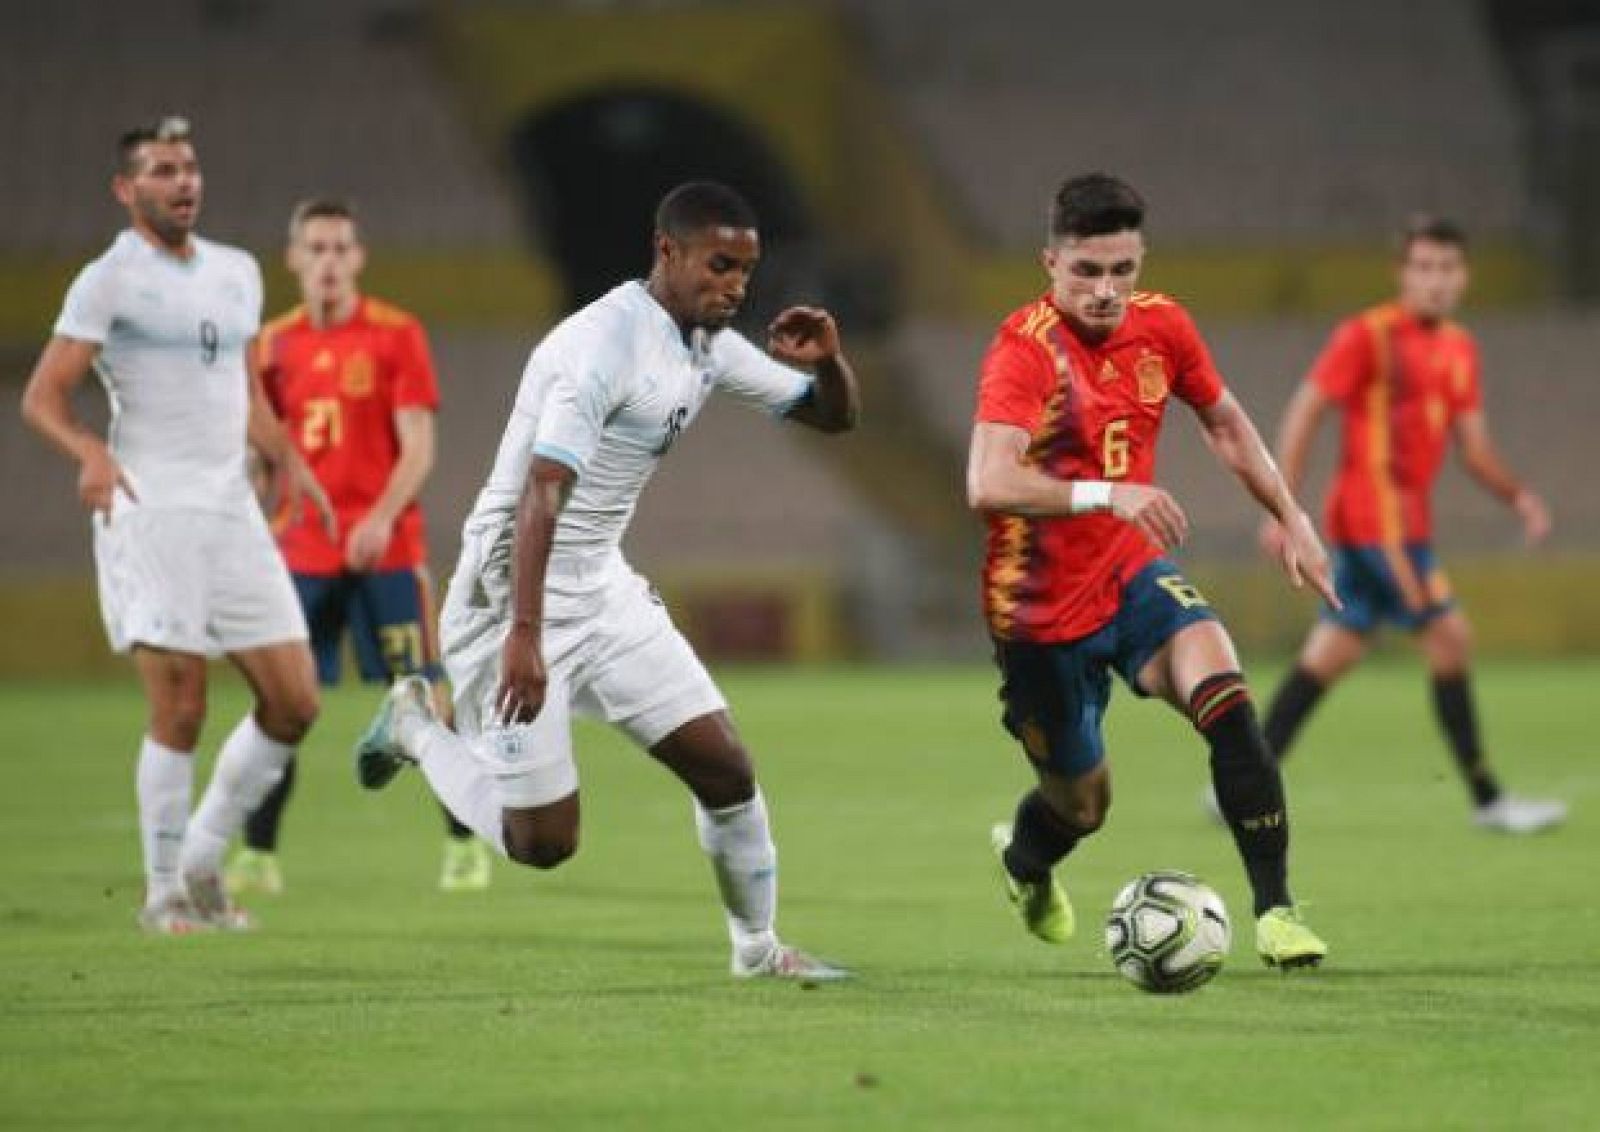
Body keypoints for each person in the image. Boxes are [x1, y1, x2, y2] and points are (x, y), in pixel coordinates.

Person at [353, 181, 859, 979]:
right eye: (720, 265)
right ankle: (415, 725)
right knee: (542, 843)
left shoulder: (708, 343)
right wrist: (524, 635)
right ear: (668, 252)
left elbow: (833, 418)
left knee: (727, 771)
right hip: (510, 590)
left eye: (746, 270)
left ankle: (758, 952)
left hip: (600, 586)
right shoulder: (603, 346)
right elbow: (540, 491)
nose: (736, 285)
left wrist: (829, 364)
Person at [967, 173, 1336, 968]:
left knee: (1228, 698)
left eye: (1122, 270)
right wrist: (1109, 493)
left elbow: (1226, 422)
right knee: (1083, 806)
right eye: (1086, 272)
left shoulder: (1163, 327)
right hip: (1038, 613)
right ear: (1049, 265)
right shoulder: (1024, 351)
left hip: (1131, 577)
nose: (1106, 291)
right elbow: (988, 482)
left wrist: (1291, 516)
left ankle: (1276, 914)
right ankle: (1025, 864)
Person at [20, 116, 330, 933]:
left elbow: (241, 386)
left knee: (296, 702)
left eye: (189, 166)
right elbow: (42, 396)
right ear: (128, 189)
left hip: (231, 508)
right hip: (149, 508)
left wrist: (285, 457)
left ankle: (201, 858)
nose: (183, 181)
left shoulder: (236, 272)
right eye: (163, 169)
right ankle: (163, 891)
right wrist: (89, 450)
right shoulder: (107, 281)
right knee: (181, 707)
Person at [1257, 216, 1566, 834]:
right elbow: (1306, 407)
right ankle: (1489, 800)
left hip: (1405, 528)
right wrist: (1283, 507)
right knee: (1451, 639)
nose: (1436, 281)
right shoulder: (1367, 336)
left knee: (1330, 654)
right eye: (1423, 268)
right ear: (1403, 274)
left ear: (1464, 276)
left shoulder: (1460, 349)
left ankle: (1242, 780)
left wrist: (1520, 496)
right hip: (1378, 527)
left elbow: (1473, 448)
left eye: (1447, 268)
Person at [225, 199, 493, 897]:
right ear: (293, 259)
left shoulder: (395, 335)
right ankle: (257, 856)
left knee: (424, 696)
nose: (329, 261)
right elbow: (266, 452)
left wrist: (378, 518)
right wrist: (250, 498)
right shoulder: (271, 345)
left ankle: (465, 843)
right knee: (280, 704)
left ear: (359, 258)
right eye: (315, 248)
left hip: (388, 552)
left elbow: (420, 446)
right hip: (300, 554)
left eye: (341, 248)